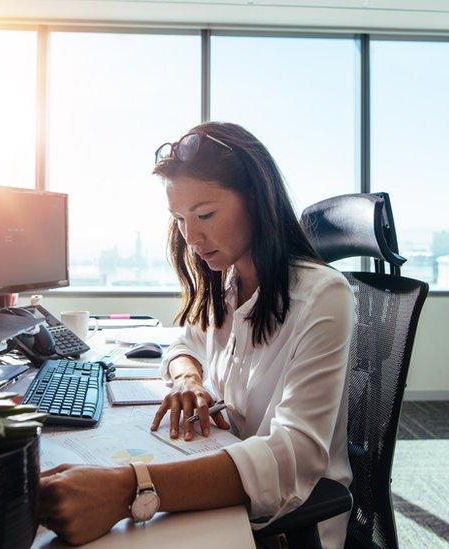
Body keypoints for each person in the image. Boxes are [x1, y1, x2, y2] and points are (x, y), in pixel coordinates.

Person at [38, 122, 355, 547]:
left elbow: (294, 454)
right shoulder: (228, 282)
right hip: (223, 474)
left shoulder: (323, 295)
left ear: (258, 202)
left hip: (286, 521)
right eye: (180, 219)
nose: (191, 237)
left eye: (205, 215)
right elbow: (184, 345)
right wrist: (189, 379)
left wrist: (129, 488)